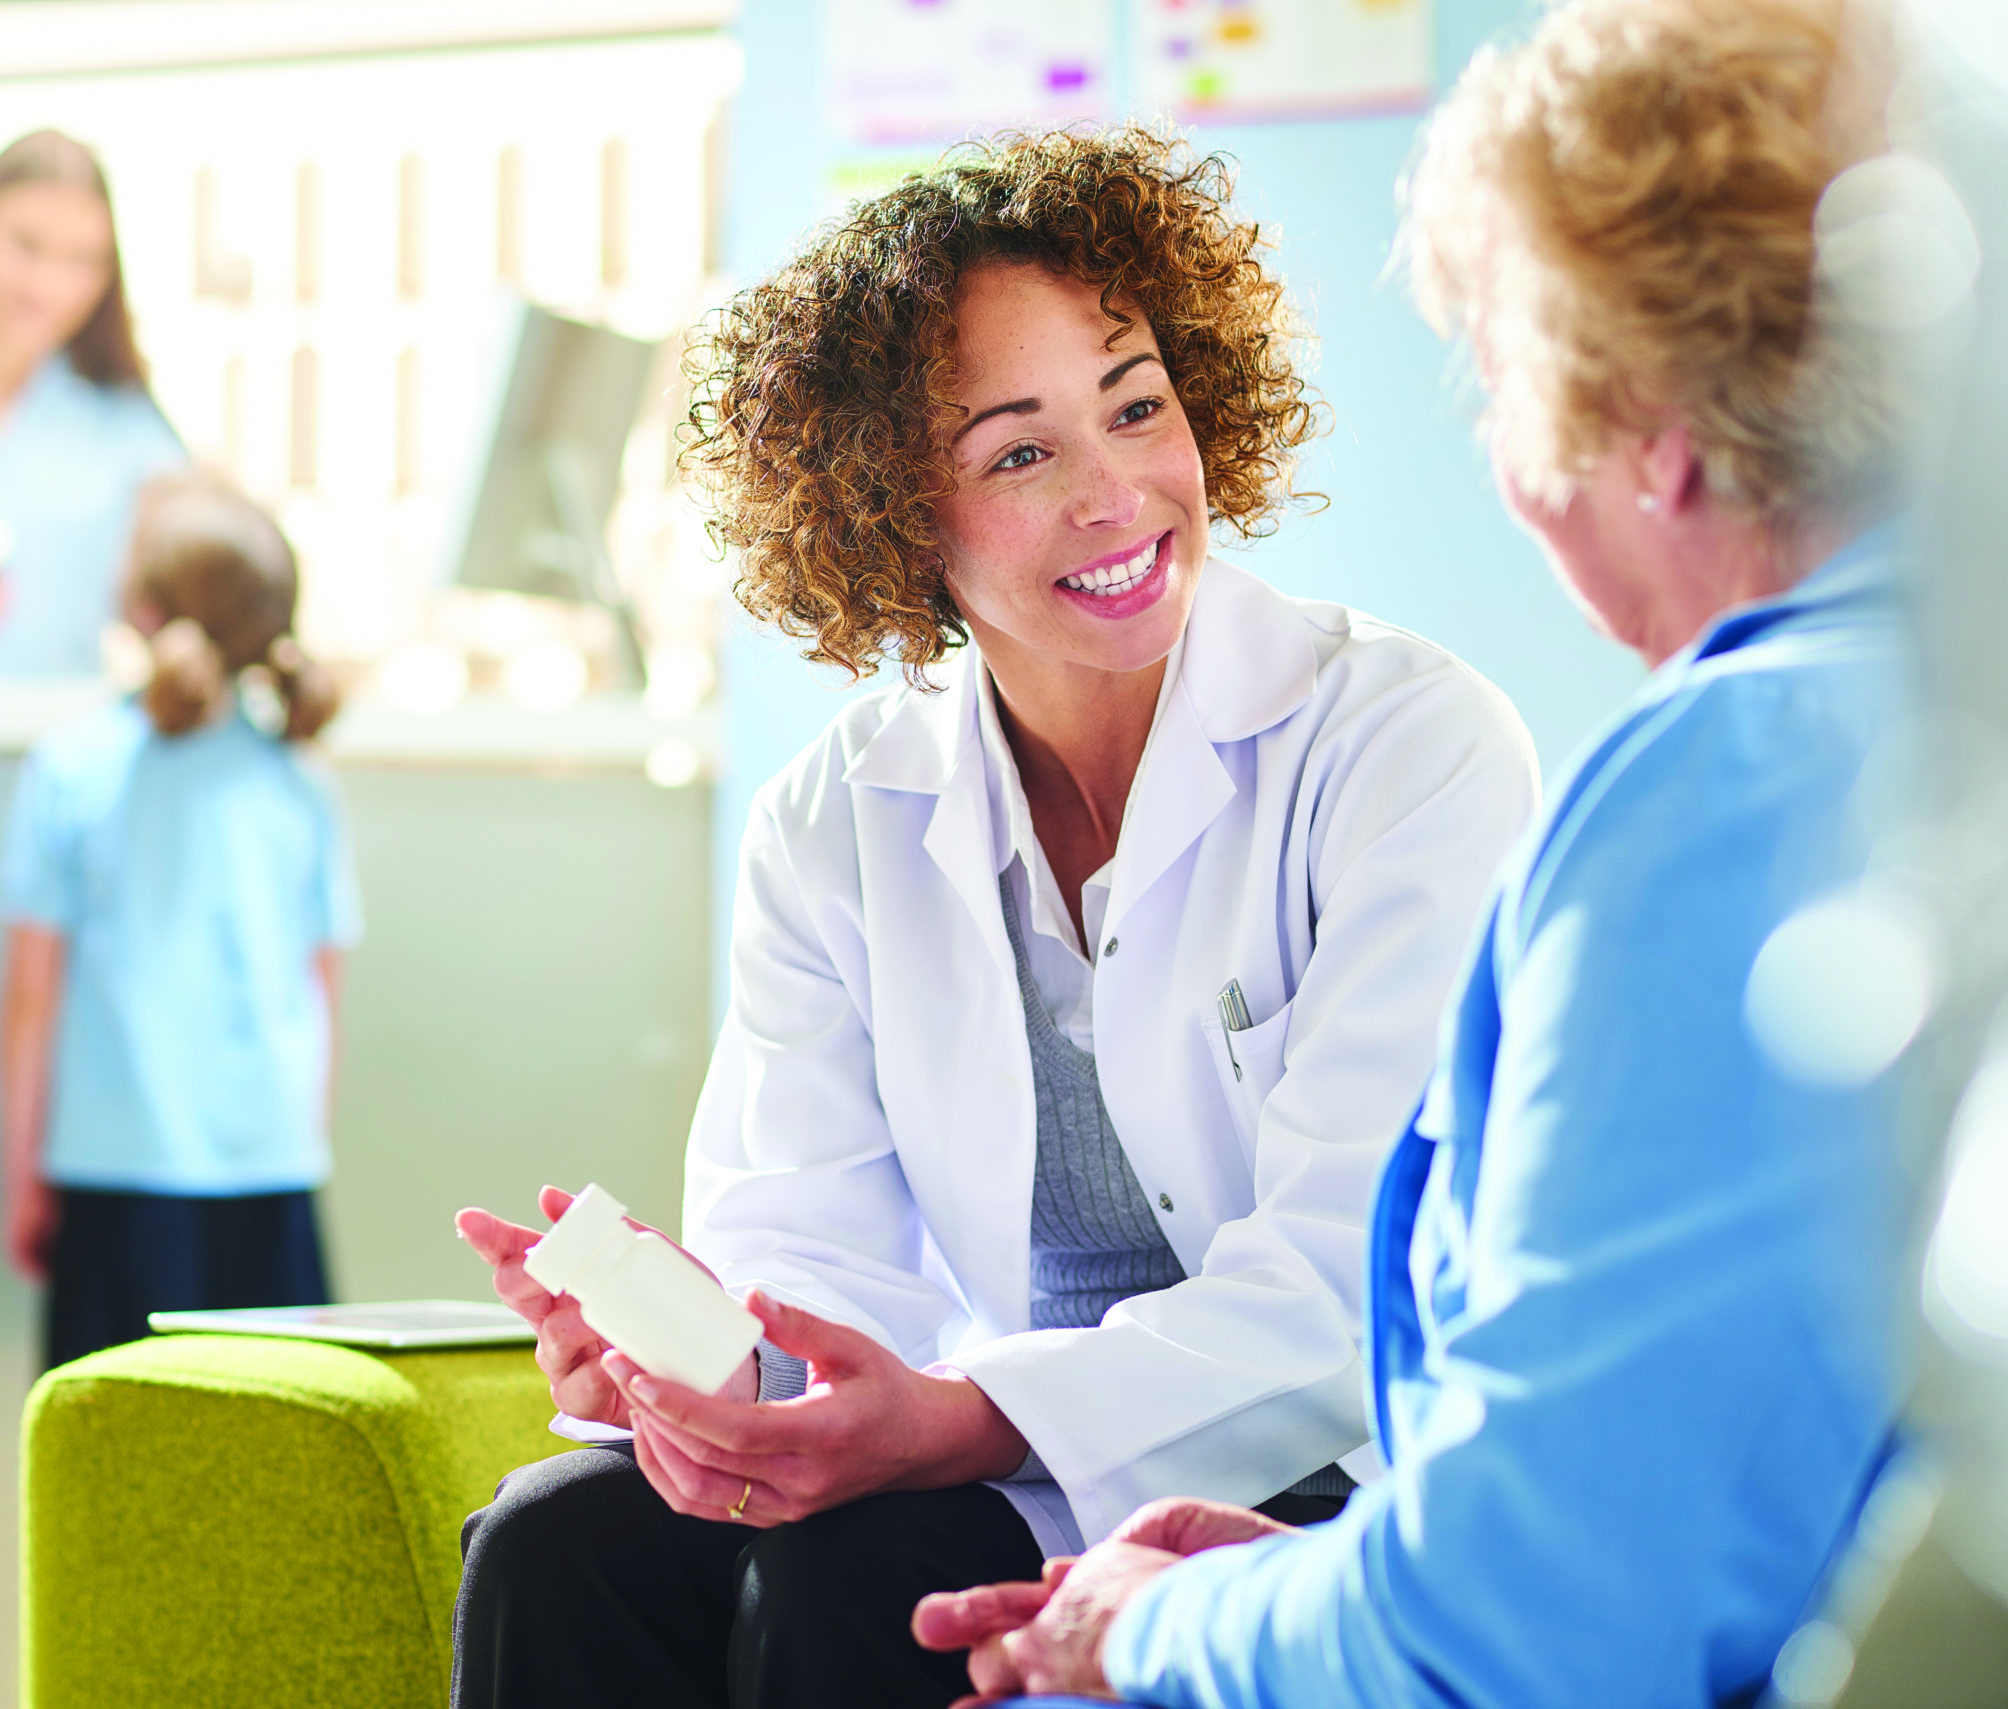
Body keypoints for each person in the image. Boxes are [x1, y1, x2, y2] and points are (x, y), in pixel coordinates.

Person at [451, 126, 1540, 1709]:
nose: (1120, 494)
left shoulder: (1405, 744)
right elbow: (805, 1274)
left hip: (1325, 1468)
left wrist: (954, 1421)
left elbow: (1341, 1289)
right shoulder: (836, 817)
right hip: (992, 1455)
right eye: (1020, 452)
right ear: (899, 513)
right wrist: (697, 1378)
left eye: (1139, 405)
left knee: (864, 1577)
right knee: (558, 1536)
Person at [912, 1, 1911, 1703]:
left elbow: (1522, 1629)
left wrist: (1143, 1626)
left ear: (1655, 437)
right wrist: (1327, 1568)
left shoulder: (1728, 786)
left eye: (1511, 383)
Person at [0, 473, 356, 1371]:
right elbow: (322, 996)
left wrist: (23, 1177)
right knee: (275, 1467)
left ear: (143, 609)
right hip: (273, 1179)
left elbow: (30, 1002)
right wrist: (298, 1144)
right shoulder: (302, 783)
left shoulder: (73, 768)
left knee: (113, 1472)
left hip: (114, 1181)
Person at [0, 129, 185, 679]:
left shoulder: (130, 429)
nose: (48, 286)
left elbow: (176, 597)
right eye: (25, 246)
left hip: (59, 745)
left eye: (83, 260)